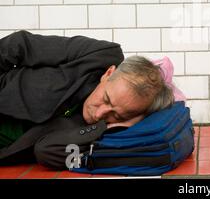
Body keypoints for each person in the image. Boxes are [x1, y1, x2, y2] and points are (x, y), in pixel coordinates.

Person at [0, 30, 175, 168]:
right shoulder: (100, 55)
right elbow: (21, 44)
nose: (99, 114)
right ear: (108, 73)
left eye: (117, 116)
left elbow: (46, 152)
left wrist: (104, 128)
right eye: (106, 99)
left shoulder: (90, 132)